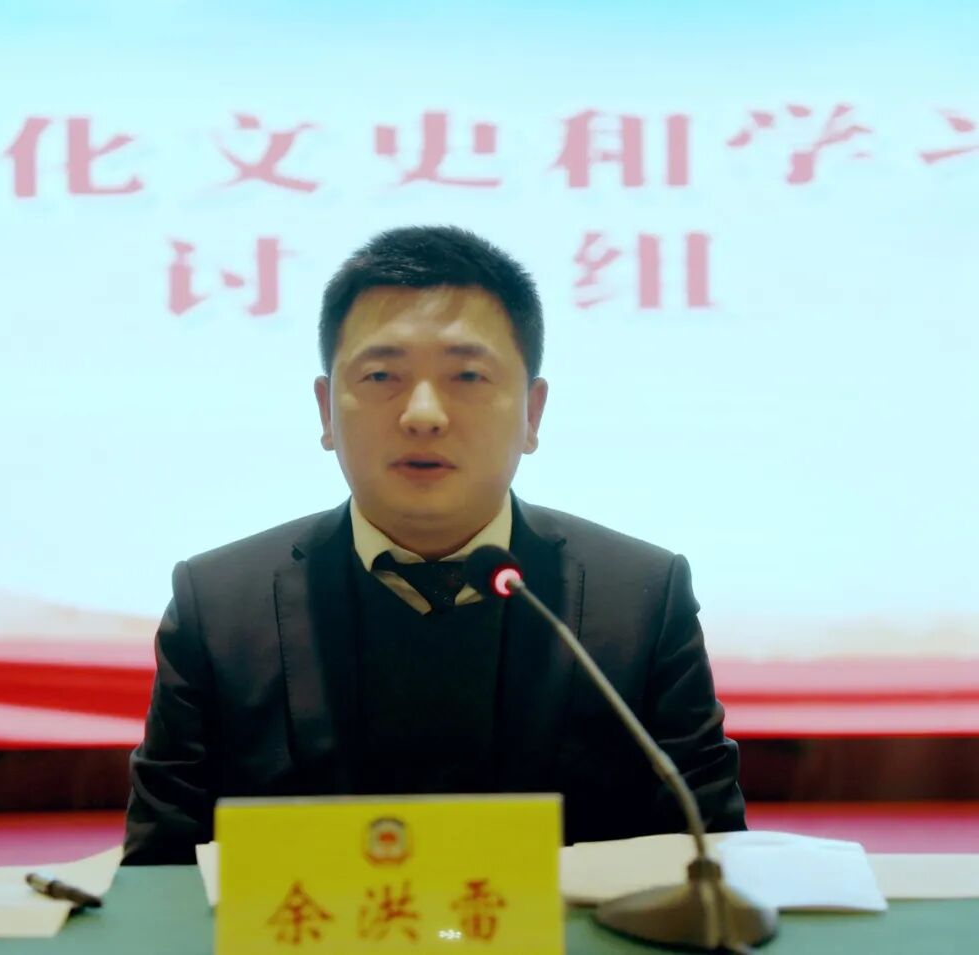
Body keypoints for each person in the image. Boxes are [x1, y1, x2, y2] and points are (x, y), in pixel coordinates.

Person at [122, 225, 745, 865]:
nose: (423, 413)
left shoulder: (639, 599)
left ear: (532, 413)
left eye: (467, 375)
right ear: (325, 410)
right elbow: (156, 870)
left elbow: (711, 857)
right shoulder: (220, 607)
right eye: (381, 375)